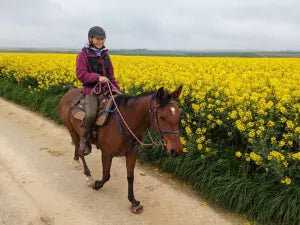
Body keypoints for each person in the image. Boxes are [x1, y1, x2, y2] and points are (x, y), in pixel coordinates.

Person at [76, 26, 121, 156]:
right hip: (91, 90)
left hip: (107, 89)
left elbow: (111, 76)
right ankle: (84, 139)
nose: (100, 41)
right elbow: (81, 74)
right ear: (90, 39)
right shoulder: (83, 55)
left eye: (102, 39)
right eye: (97, 39)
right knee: (90, 114)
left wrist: (117, 91)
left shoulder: (105, 55)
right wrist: (97, 77)